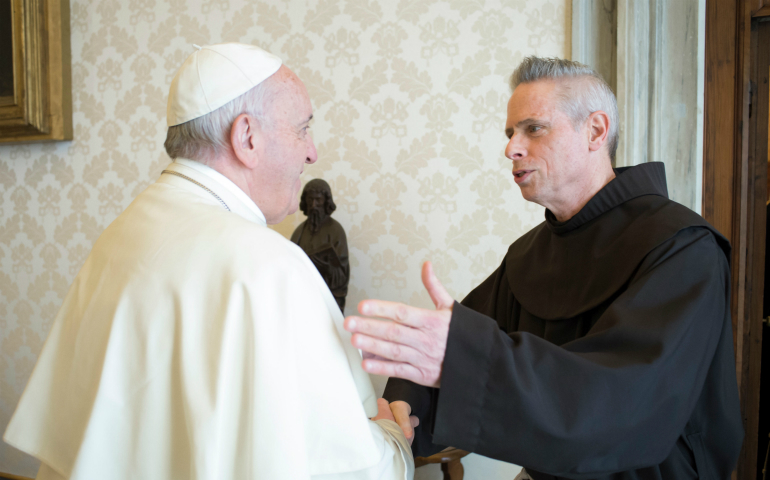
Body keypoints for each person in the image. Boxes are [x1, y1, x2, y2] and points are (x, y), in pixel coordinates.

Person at [3, 43, 413, 480]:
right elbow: (354, 471)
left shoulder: (121, 234)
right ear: (247, 137)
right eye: (302, 129)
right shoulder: (272, 266)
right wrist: (393, 438)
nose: (312, 153)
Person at [344, 56, 744, 479]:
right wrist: (407, 403)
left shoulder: (681, 247)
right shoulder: (528, 255)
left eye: (533, 128)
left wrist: (465, 360)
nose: (511, 148)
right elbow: (455, 343)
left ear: (595, 131)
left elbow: (623, 402)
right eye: (510, 132)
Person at [291, 179, 350, 312]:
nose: (313, 205)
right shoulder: (299, 232)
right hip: (302, 298)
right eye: (310, 200)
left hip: (328, 300)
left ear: (326, 201)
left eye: (318, 200)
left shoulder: (335, 230)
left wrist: (326, 266)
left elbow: (342, 276)